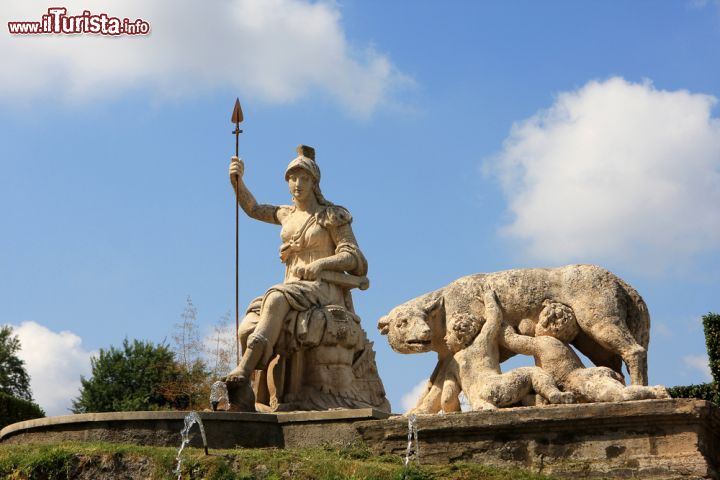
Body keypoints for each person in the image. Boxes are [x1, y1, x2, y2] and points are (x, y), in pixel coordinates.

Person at [224, 145, 371, 411]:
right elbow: (254, 209)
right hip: (293, 286)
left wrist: (321, 265)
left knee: (276, 298)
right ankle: (248, 390)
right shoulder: (286, 214)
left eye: (303, 178)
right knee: (248, 324)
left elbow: (356, 260)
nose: (297, 184)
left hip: (323, 288)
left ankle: (244, 370)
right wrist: (238, 182)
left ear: (314, 182)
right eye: (292, 178)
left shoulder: (331, 215)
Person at [500, 301, 669, 403]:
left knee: (619, 395)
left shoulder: (543, 342)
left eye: (539, 322)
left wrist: (498, 319)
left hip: (580, 381)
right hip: (589, 375)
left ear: (548, 325)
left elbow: (511, 340)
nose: (535, 325)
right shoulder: (560, 344)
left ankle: (653, 392)